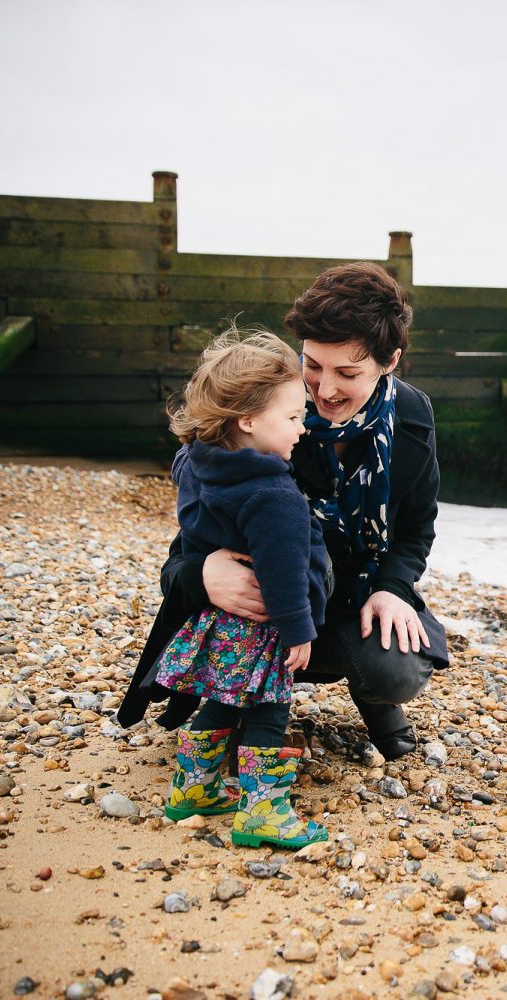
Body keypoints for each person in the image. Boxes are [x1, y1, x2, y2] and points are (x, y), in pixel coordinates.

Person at [120, 261, 450, 769]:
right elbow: (189, 542)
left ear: (390, 362)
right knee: (239, 609)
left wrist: (394, 588)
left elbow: (415, 529)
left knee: (395, 669)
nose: (325, 390)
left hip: (348, 593)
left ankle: (374, 699)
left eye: (348, 372)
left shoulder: (410, 417)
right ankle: (229, 706)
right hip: (268, 601)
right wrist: (203, 573)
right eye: (312, 365)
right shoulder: (265, 416)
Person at [154, 327, 330, 849]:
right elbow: (284, 571)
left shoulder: (196, 462)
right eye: (295, 417)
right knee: (270, 709)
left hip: (218, 620)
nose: (304, 427)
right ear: (248, 420)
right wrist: (299, 630)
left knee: (225, 701)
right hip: (262, 622)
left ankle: (195, 788)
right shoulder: (274, 495)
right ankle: (264, 811)